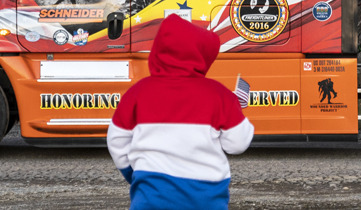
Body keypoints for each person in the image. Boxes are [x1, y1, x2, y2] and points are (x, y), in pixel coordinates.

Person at [107, 14, 254, 210]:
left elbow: (116, 141)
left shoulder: (137, 93)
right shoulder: (219, 95)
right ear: (203, 54)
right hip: (206, 199)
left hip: (150, 196)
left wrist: (134, 174)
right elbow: (237, 144)